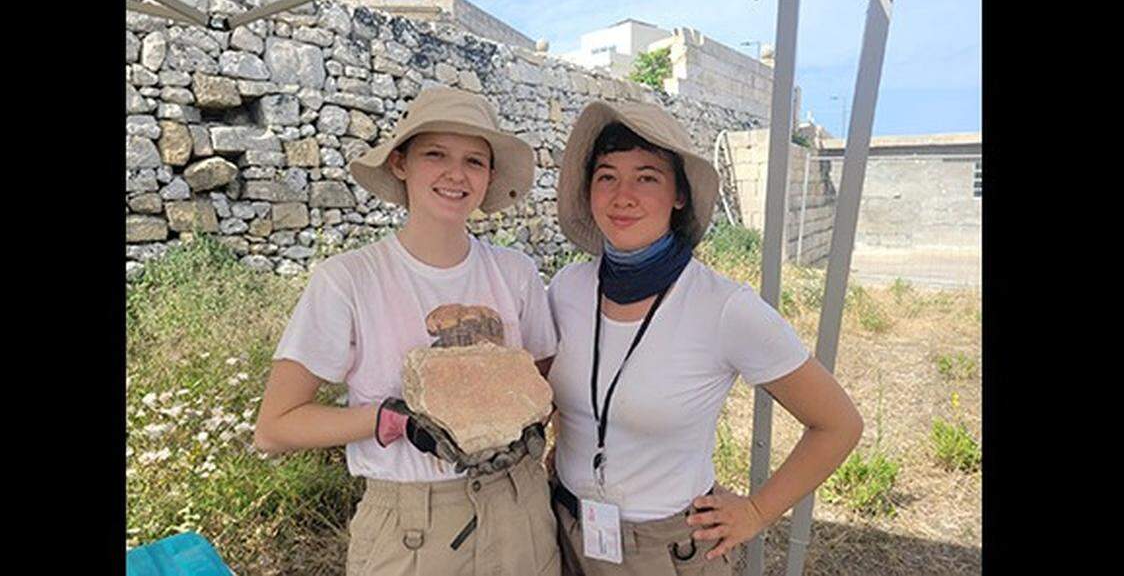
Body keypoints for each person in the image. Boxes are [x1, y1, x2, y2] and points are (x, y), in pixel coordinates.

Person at [546, 101, 864, 575]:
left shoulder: (725, 307)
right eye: (607, 176)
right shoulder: (566, 288)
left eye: (647, 177)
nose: (622, 195)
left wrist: (757, 512)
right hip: (565, 530)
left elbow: (839, 424)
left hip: (662, 549)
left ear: (679, 195)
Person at [253, 87, 561, 576]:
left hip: (520, 510)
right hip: (412, 528)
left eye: (474, 161)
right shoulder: (349, 279)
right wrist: (397, 421)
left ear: (489, 177)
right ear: (400, 163)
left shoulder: (517, 272)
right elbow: (275, 427)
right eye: (435, 154)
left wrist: (526, 430)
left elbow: (544, 388)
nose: (456, 174)